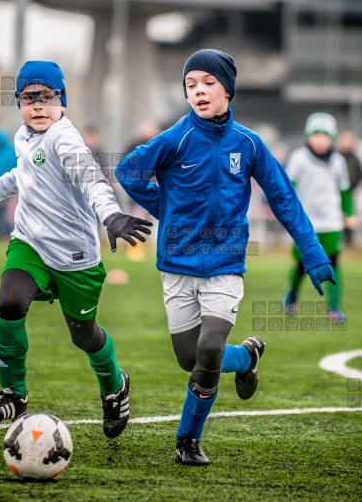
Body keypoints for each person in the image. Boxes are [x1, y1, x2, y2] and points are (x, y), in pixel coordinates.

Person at [115, 49, 336, 466]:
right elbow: (128, 171)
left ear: (228, 89)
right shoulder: (175, 137)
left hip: (225, 266)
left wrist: (311, 251)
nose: (198, 92)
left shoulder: (249, 144)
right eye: (190, 85)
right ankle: (249, 355)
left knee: (210, 351)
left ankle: (187, 439)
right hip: (177, 266)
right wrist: (168, 209)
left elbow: (283, 197)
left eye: (207, 83)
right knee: (189, 359)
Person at [0, 61, 152, 439]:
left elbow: (91, 180)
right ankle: (13, 395)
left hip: (75, 258)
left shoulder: (64, 139)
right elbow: (23, 172)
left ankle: (114, 386)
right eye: (28, 97)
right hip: (30, 243)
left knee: (84, 336)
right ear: (19, 103)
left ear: (62, 102)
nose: (38, 104)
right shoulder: (24, 136)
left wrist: (111, 216)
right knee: (8, 303)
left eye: (47, 96)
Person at [283, 113, 357, 322]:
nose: (320, 140)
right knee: (301, 265)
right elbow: (289, 189)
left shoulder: (338, 161)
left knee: (333, 263)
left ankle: (334, 308)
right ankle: (291, 295)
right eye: (316, 134)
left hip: (331, 222)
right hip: (305, 225)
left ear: (332, 138)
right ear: (308, 137)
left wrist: (349, 213)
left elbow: (344, 191)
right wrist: (288, 214)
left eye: (325, 135)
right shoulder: (299, 158)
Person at [337, 129, 362, 246]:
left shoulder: (355, 158)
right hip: (337, 192)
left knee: (349, 215)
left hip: (351, 191)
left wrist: (354, 186)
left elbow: (358, 174)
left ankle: (349, 240)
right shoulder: (336, 158)